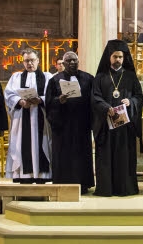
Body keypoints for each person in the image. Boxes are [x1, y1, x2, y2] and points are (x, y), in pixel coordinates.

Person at [92, 39, 143, 196]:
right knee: (106, 157)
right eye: (115, 57)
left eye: (120, 57)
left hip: (124, 126)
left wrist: (131, 102)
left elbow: (138, 97)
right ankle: (106, 188)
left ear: (124, 58)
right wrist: (106, 108)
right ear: (109, 57)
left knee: (124, 157)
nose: (118, 60)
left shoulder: (130, 77)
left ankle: (125, 188)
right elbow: (95, 97)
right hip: (106, 126)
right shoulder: (100, 77)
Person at [45, 51, 94, 195]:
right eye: (69, 61)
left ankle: (83, 184)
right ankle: (62, 184)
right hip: (63, 124)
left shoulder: (88, 78)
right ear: (63, 63)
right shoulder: (55, 80)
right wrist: (58, 101)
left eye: (75, 60)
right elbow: (48, 102)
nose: (72, 63)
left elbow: (94, 99)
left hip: (81, 123)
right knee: (63, 154)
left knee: (81, 154)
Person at [4, 47, 52, 183]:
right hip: (22, 119)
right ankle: (25, 176)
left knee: (42, 145)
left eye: (32, 60)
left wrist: (41, 99)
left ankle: (42, 175)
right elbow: (8, 94)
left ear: (38, 60)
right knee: (21, 145)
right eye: (26, 61)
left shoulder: (47, 76)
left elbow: (52, 95)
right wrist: (20, 101)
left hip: (41, 116)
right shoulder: (16, 77)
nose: (29, 63)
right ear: (23, 62)